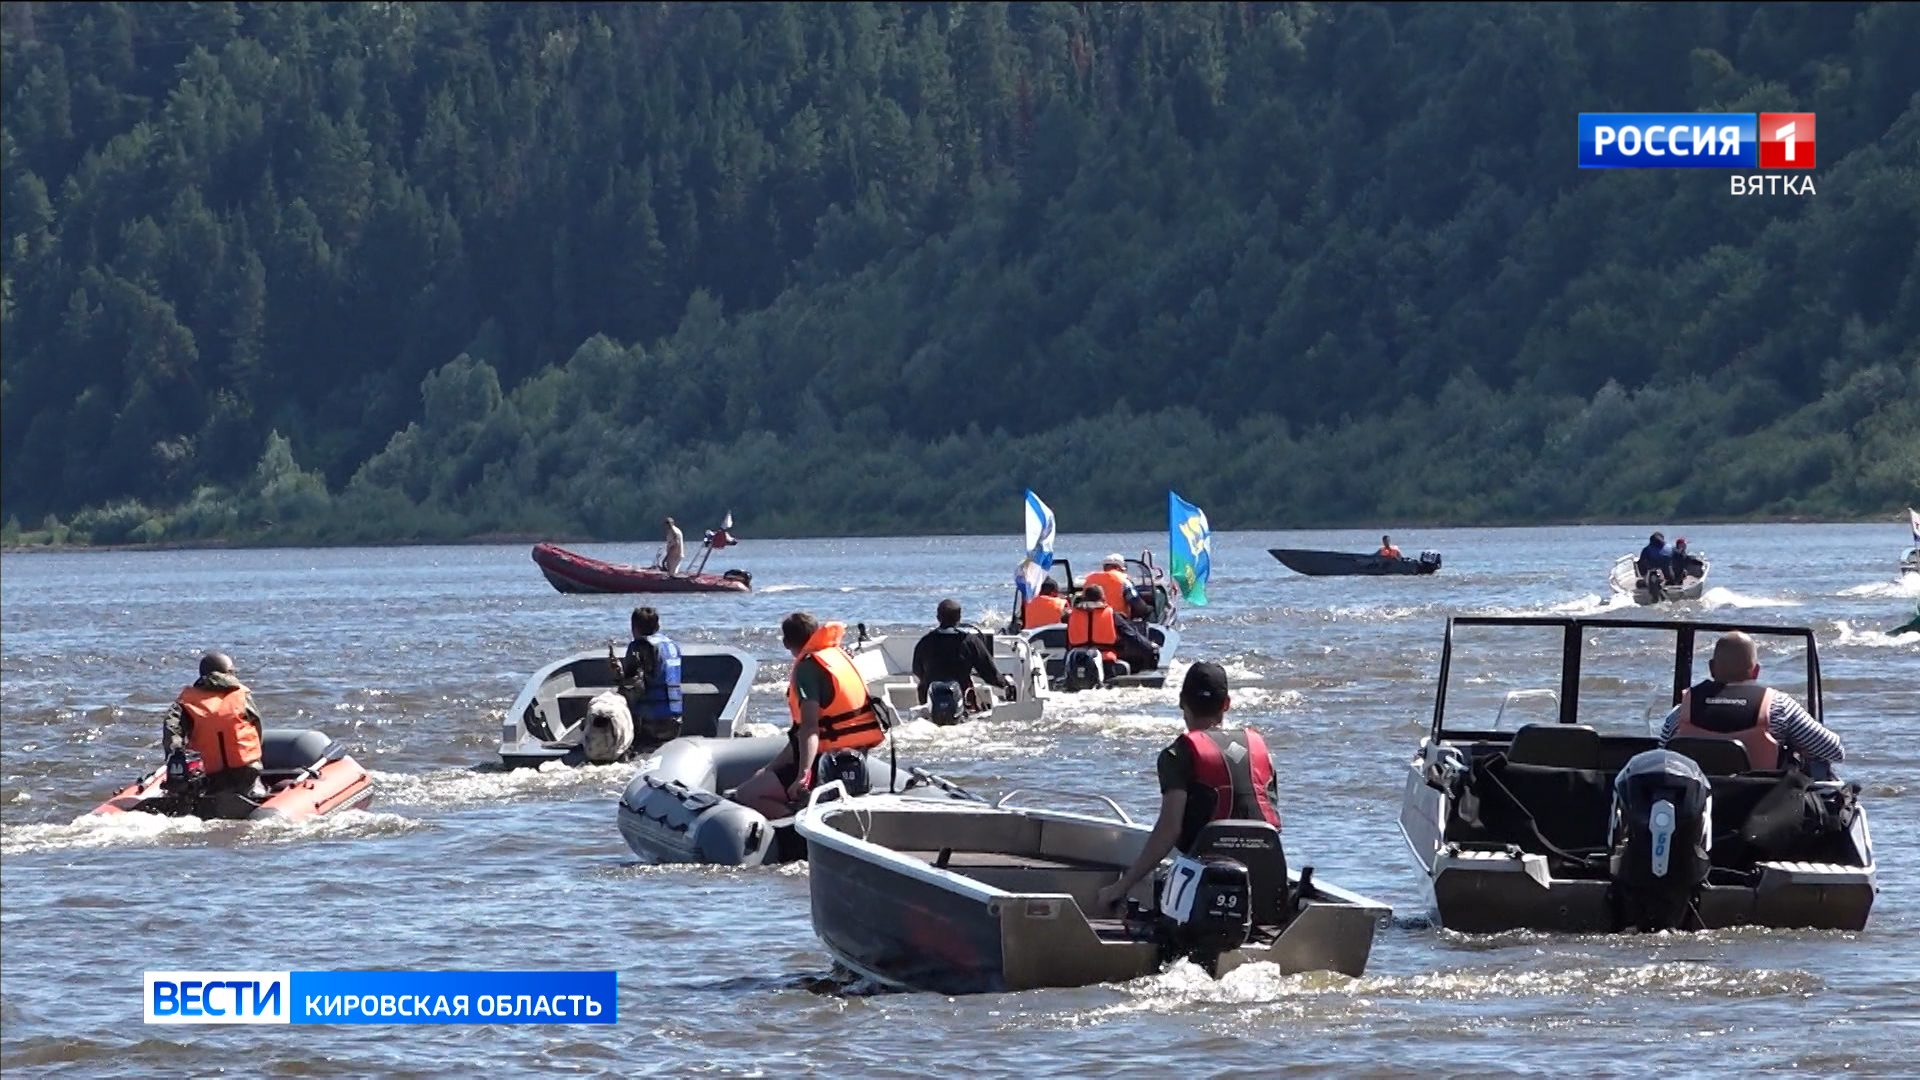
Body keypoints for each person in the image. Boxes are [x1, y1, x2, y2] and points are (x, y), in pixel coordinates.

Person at [1095, 662, 1282, 911]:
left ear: (1182, 701)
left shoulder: (1177, 755)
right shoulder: (1260, 751)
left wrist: (1120, 887)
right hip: (1264, 885)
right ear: (1226, 704)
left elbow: (1169, 830)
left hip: (1205, 891)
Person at [732, 612, 886, 819]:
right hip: (854, 756)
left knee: (747, 794)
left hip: (823, 762)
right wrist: (769, 769)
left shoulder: (807, 668)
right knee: (761, 781)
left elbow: (810, 728)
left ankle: (794, 823)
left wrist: (803, 776)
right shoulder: (837, 656)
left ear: (786, 642)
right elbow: (799, 736)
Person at [1660, 631, 1845, 771]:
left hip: (1698, 805)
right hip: (1763, 806)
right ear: (1756, 671)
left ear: (1711, 668)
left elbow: (1661, 756)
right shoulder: (1779, 706)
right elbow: (1834, 751)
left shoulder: (1682, 711)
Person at [162, 651, 267, 814]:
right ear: (230, 672)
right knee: (251, 780)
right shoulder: (242, 696)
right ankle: (255, 791)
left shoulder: (187, 700)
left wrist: (175, 754)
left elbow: (171, 728)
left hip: (209, 774)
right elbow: (257, 728)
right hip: (246, 772)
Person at [912, 599, 1015, 711]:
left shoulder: (925, 642)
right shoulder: (969, 641)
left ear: (938, 617)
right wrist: (1005, 684)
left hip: (929, 704)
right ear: (959, 618)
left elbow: (917, 670)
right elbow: (989, 673)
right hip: (964, 702)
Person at [610, 606, 683, 746]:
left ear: (634, 627)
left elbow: (632, 687)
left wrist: (618, 674)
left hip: (650, 723)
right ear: (658, 625)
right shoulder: (672, 646)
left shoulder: (639, 646)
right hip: (675, 721)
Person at [1066, 584, 1158, 677]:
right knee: (1126, 666)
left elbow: (1068, 643)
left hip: (1076, 662)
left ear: (1084, 598)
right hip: (1106, 663)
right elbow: (1131, 635)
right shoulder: (1110, 614)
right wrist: (1150, 647)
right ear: (1102, 598)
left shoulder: (1073, 615)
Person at [1083, 554, 1144, 621]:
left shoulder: (1090, 579)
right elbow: (1137, 605)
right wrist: (1148, 610)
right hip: (1117, 622)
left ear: (1104, 567)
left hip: (1091, 621)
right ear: (1118, 568)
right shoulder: (1123, 580)